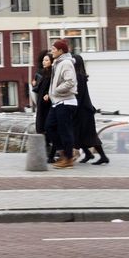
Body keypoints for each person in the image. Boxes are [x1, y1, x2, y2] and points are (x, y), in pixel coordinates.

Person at [44, 40, 79, 168]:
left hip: (66, 101)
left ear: (61, 51)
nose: (51, 51)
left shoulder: (66, 63)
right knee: (49, 127)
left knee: (65, 131)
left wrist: (55, 91)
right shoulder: (57, 63)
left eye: (54, 49)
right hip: (58, 102)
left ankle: (68, 159)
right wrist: (52, 93)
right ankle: (66, 152)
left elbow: (70, 82)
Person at [72, 51, 109, 165]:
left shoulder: (78, 77)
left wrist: (73, 109)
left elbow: (79, 95)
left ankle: (103, 156)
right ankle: (88, 154)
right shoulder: (80, 76)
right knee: (78, 134)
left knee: (90, 136)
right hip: (83, 110)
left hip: (83, 111)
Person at [32, 53, 54, 161]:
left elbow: (53, 87)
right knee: (41, 127)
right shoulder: (43, 73)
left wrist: (49, 94)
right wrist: (35, 84)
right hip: (41, 103)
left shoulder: (52, 74)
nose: (44, 62)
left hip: (47, 104)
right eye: (43, 60)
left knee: (46, 127)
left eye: (46, 60)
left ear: (51, 62)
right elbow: (38, 89)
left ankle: (51, 152)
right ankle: (47, 151)